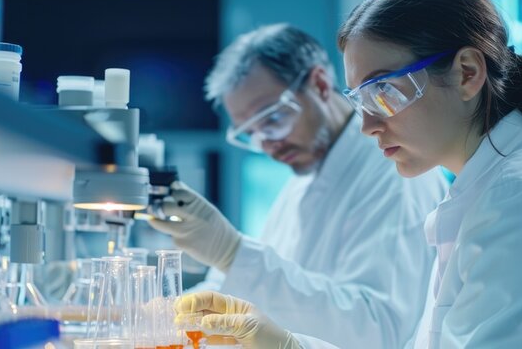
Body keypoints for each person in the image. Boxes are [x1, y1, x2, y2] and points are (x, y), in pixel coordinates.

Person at [173, 0, 522, 348]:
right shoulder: (485, 193)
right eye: (361, 97)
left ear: (466, 74)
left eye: (385, 91)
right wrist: (287, 343)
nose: (368, 124)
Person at [148, 23, 448, 349]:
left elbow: (378, 330)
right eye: (251, 133)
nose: (267, 145)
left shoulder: (393, 172)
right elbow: (246, 292)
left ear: (319, 84)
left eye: (273, 119)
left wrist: (233, 253)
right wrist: (161, 315)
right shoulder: (303, 179)